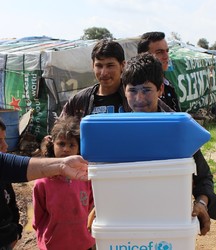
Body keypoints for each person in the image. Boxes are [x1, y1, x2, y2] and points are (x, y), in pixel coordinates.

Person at [121, 52, 216, 236]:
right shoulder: (113, 131)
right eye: (133, 90)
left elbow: (203, 177)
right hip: (130, 223)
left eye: (146, 90)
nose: (139, 98)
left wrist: (201, 204)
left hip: (171, 222)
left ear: (160, 89)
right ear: (124, 90)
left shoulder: (179, 129)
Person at [33, 116, 95, 250]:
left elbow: (89, 206)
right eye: (61, 144)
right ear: (52, 144)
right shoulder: (43, 182)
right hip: (54, 243)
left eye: (71, 145)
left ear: (79, 148)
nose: (66, 149)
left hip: (82, 242)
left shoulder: (85, 177)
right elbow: (38, 218)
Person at [60, 39, 130, 120]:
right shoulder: (79, 101)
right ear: (93, 66)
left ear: (122, 65)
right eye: (99, 66)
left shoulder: (134, 97)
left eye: (110, 66)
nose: (104, 73)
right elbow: (60, 130)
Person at [137, 31, 181, 112]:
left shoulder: (167, 85)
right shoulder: (136, 88)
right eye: (159, 52)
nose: (166, 56)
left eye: (167, 51)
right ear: (143, 56)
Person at [0, 118, 23, 249]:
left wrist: (16, 232)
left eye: (4, 139)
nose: (6, 146)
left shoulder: (4, 174)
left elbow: (12, 205)